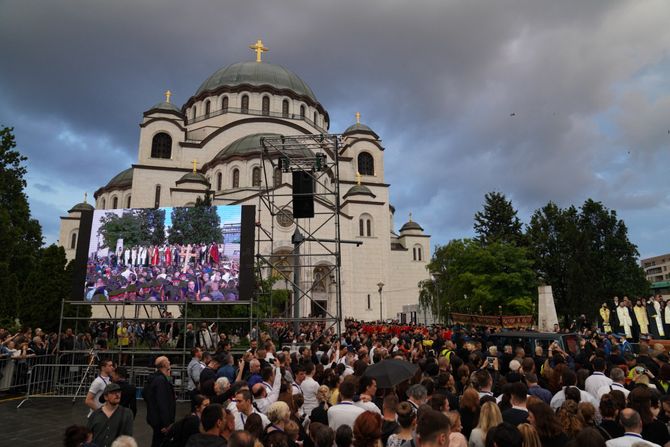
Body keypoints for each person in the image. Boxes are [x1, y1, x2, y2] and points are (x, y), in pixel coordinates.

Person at [87, 383, 134, 447]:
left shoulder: (127, 413)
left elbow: (128, 437)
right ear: (106, 397)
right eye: (113, 393)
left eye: (119, 392)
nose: (117, 395)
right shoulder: (95, 415)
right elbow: (88, 437)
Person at [144, 356, 176, 447]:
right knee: (160, 442)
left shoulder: (156, 378)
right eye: (168, 361)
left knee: (157, 441)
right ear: (165, 364)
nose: (170, 362)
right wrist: (166, 424)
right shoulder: (160, 381)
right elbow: (163, 403)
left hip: (156, 418)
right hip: (161, 421)